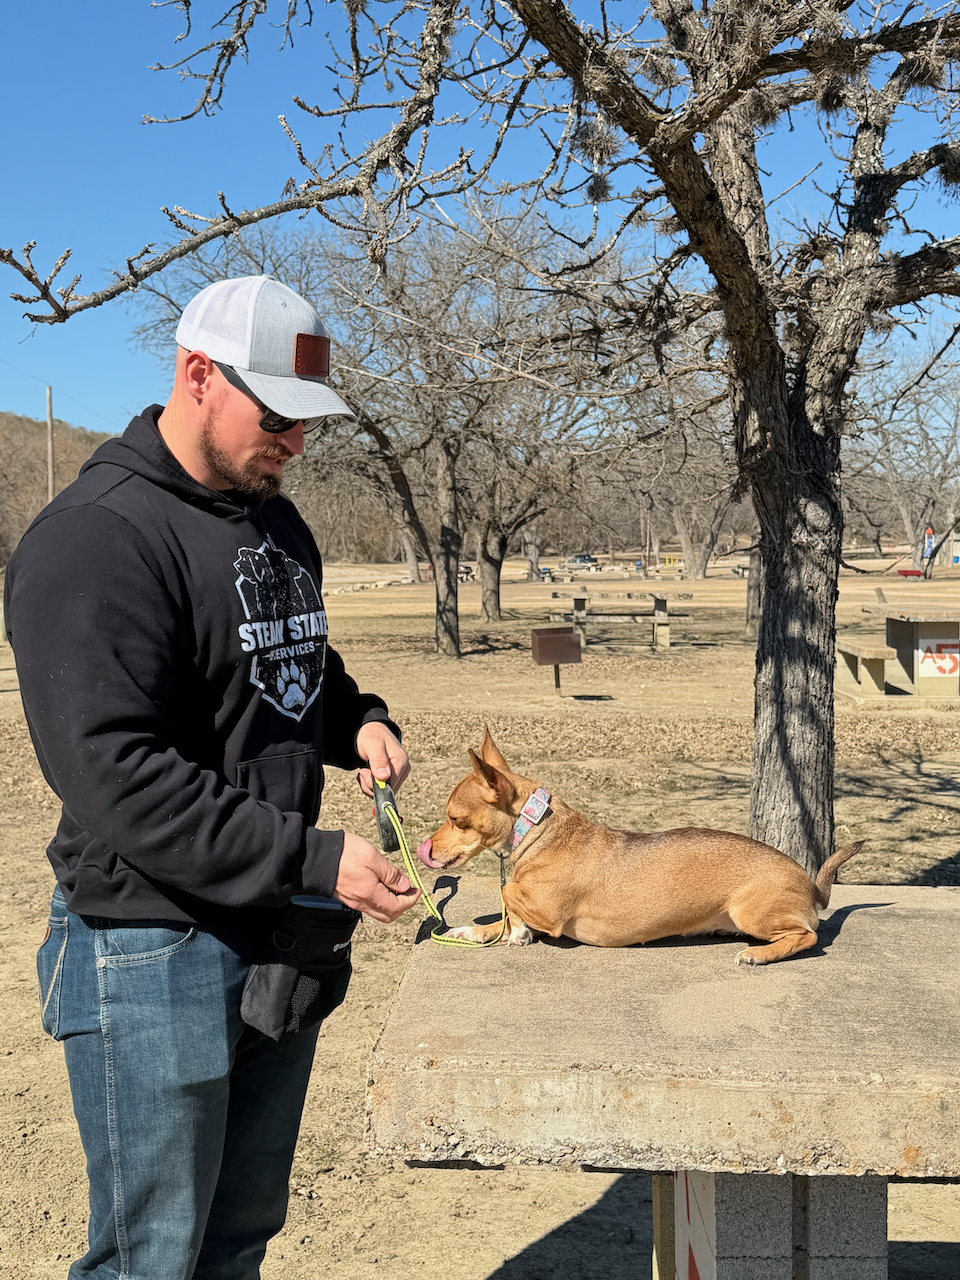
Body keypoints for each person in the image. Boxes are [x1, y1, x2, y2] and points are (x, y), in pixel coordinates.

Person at [4, 274, 421, 1280]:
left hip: (277, 924)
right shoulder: (95, 537)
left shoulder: (275, 521)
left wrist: (355, 720)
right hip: (152, 946)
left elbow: (293, 672)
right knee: (152, 1257)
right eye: (277, 416)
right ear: (198, 375)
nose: (296, 443)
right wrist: (314, 853)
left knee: (236, 1242)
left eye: (308, 422)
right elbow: (117, 773)